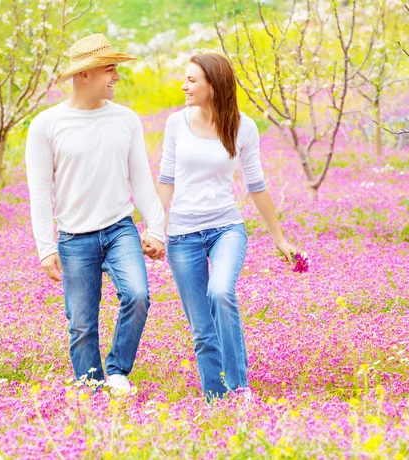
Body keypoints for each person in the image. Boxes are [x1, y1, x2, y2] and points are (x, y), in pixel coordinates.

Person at [145, 53, 296, 401]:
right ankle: (217, 400)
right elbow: (166, 179)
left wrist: (279, 237)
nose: (184, 86)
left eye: (192, 80)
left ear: (214, 85)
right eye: (185, 79)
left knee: (221, 293)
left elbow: (256, 184)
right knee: (202, 331)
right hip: (182, 236)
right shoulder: (175, 123)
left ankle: (240, 388)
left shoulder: (244, 127)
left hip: (226, 228)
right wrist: (154, 228)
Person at [25, 34, 165, 394]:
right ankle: (90, 390)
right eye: (110, 70)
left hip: (120, 228)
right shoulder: (46, 125)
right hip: (73, 237)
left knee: (137, 295)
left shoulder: (126, 120)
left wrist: (156, 228)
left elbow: (141, 180)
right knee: (81, 324)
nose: (116, 77)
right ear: (85, 74)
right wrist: (45, 248)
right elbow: (40, 192)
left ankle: (118, 369)